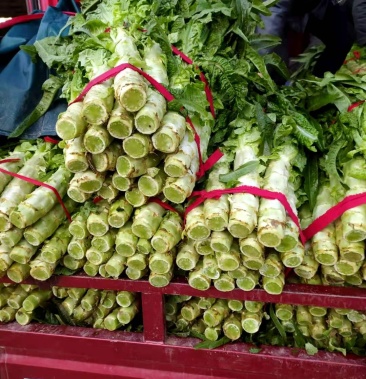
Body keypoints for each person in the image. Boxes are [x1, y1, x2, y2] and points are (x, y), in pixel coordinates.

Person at [258, 0, 366, 78]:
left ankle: (319, 80)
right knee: (275, 61)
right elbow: (271, 15)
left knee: (343, 35)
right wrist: (260, 62)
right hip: (280, 12)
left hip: (317, 6)